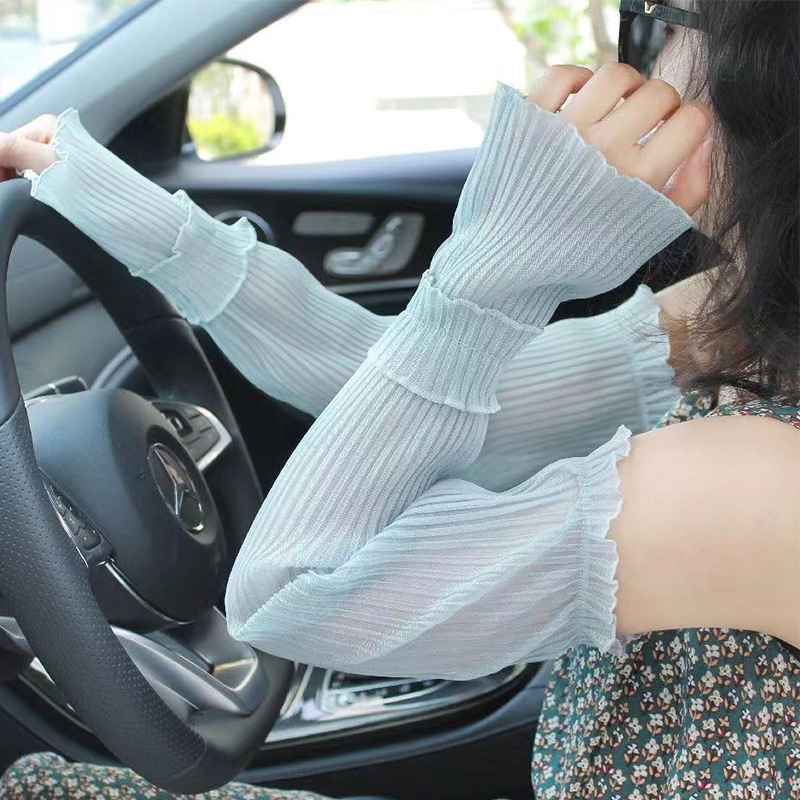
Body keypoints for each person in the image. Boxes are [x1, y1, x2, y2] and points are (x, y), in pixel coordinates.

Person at [0, 0, 797, 798]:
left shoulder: (768, 486)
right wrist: (89, 184)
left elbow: (289, 595)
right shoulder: (750, 326)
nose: (644, 57)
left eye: (666, 19)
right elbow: (361, 369)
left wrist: (504, 266)